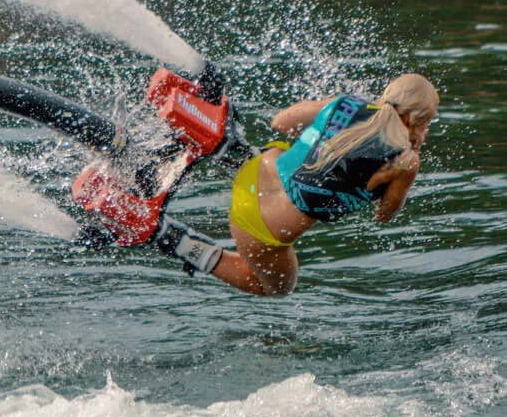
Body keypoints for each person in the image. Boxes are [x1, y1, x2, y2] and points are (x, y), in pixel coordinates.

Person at [156, 73, 439, 296]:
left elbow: (281, 122)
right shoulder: (406, 160)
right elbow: (386, 214)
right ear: (419, 123)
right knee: (276, 288)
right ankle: (173, 239)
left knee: (295, 154)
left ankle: (231, 150)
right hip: (257, 227)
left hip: (256, 171)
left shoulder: (346, 104)